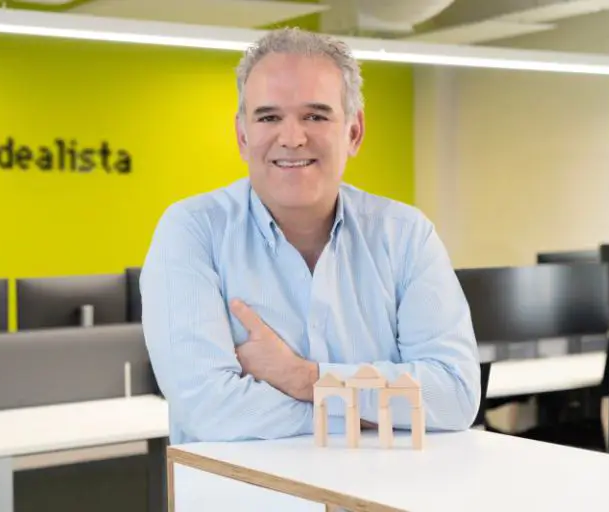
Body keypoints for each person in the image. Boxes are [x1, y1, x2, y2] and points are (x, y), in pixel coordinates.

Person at [140, 27, 480, 445]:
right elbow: (208, 411)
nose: (292, 138)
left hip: (378, 485)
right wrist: (371, 410)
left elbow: (455, 395)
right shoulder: (192, 232)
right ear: (242, 136)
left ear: (354, 132)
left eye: (315, 116)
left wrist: (302, 377)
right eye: (268, 117)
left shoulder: (406, 236)